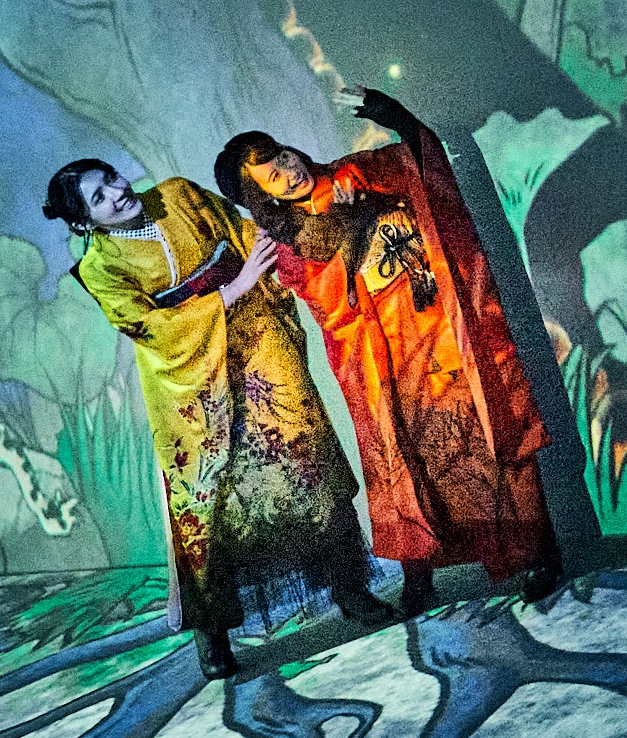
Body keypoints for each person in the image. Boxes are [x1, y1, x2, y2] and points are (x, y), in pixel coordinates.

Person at [42, 159, 396, 679]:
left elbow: (243, 234)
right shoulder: (99, 268)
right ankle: (213, 633)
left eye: (112, 179)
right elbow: (146, 324)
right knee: (208, 501)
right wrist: (230, 291)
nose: (117, 193)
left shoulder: (178, 195)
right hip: (188, 379)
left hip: (258, 341)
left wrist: (266, 257)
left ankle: (349, 587)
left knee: (309, 464)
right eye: (99, 198)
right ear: (83, 222)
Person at [215, 87, 561, 613]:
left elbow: (427, 173)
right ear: (264, 197)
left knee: (493, 436)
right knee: (406, 462)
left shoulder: (361, 171)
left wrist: (400, 119)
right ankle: (419, 573)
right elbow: (333, 309)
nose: (289, 172)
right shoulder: (290, 245)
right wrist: (346, 230)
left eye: (282, 156)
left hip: (448, 332)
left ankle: (539, 553)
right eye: (273, 177)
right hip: (389, 360)